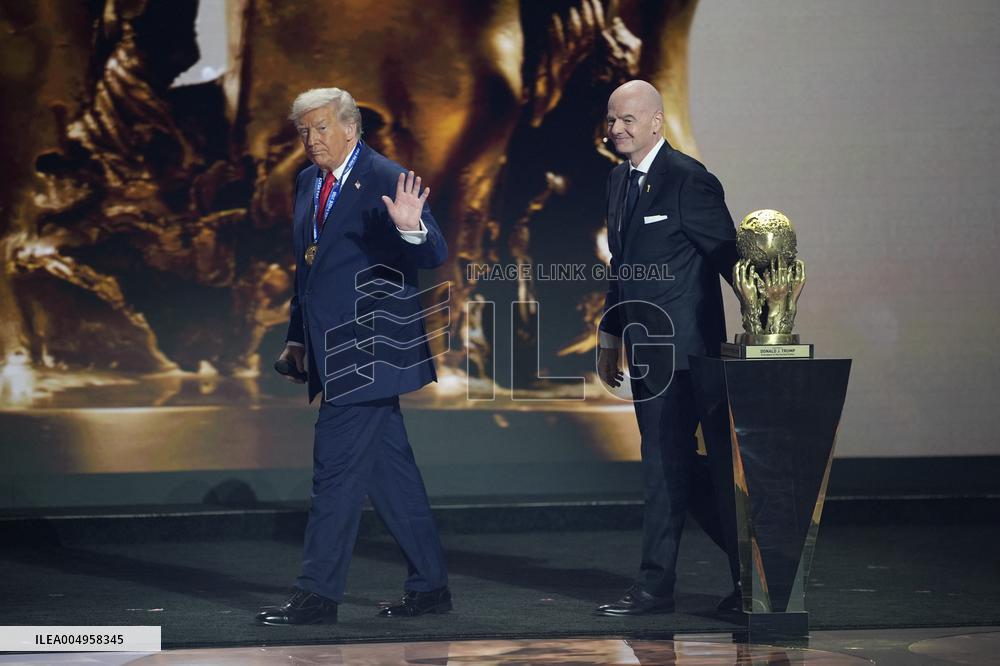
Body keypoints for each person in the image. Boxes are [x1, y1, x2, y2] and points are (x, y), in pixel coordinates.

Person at [255, 87, 451, 625]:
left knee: (334, 472)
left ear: (350, 129)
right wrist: (298, 336)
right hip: (329, 348)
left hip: (369, 350)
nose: (311, 139)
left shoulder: (387, 177)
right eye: (304, 131)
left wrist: (411, 226)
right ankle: (431, 587)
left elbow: (434, 251)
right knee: (391, 476)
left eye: (321, 128)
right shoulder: (306, 182)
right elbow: (310, 270)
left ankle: (317, 594)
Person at [595, 80, 740, 616]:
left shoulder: (689, 180)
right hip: (648, 351)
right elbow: (623, 265)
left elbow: (730, 260)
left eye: (628, 120)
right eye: (612, 120)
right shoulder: (617, 180)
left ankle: (660, 587)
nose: (616, 130)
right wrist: (611, 331)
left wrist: (767, 318)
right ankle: (751, 574)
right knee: (672, 466)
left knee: (681, 468)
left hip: (691, 354)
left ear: (657, 121)